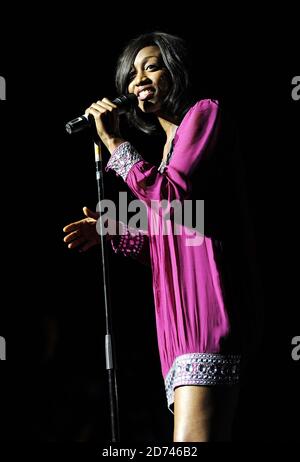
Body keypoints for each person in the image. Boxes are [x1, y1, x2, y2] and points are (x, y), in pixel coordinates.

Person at [63, 31, 263, 442]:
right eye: (132, 73)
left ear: (176, 71)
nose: (138, 79)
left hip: (207, 315)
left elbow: (174, 197)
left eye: (151, 66)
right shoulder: (167, 152)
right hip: (175, 326)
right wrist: (112, 229)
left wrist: (115, 143)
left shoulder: (205, 115)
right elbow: (172, 232)